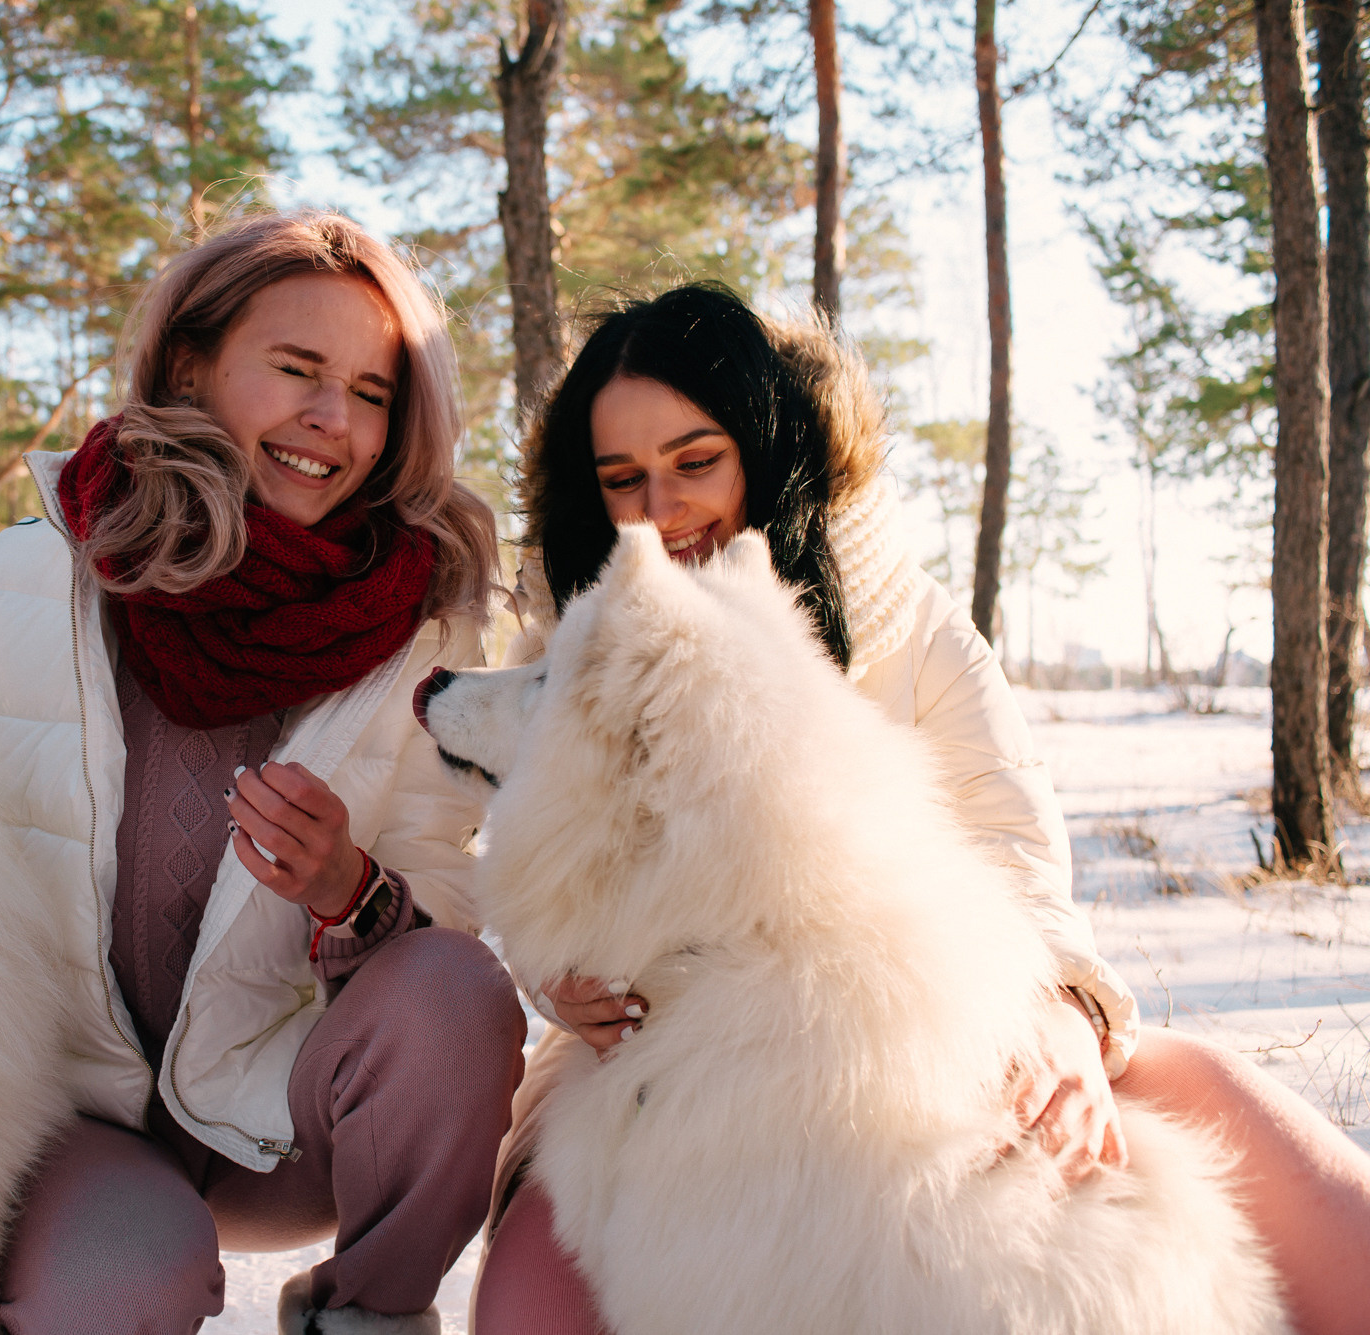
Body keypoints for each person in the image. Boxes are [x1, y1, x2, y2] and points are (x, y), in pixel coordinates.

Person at [471, 282, 1370, 1335]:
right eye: (621, 478)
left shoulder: (912, 625)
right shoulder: (583, 647)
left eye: (694, 460)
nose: (657, 509)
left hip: (920, 1025)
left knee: (1203, 1097)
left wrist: (1060, 1012)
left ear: (765, 448)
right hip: (663, 1064)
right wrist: (560, 981)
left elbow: (1009, 843)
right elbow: (537, 866)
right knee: (527, 1307)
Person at [0, 211, 526, 1335]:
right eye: (293, 370)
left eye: (371, 392)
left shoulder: (421, 629)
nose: (329, 420)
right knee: (116, 1293)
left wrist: (351, 889)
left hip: (281, 1112)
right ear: (190, 364)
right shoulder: (15, 587)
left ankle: (367, 1315)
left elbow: (453, 901)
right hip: (67, 1118)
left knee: (457, 994)